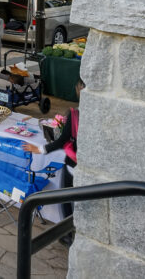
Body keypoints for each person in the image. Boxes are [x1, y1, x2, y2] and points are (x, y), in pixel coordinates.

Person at [24, 77, 85, 226]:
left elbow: (62, 141)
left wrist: (39, 149)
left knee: (66, 202)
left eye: (79, 86)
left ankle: (67, 234)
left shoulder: (75, 114)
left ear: (81, 89)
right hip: (88, 167)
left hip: (73, 165)